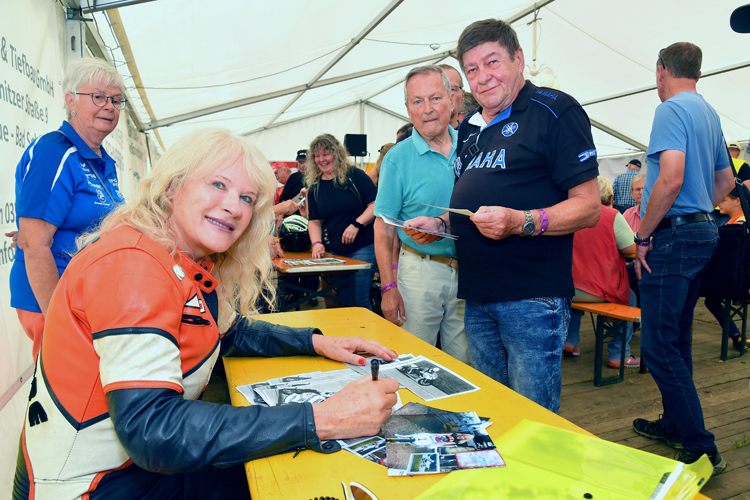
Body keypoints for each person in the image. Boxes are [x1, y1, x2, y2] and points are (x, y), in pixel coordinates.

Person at [12, 128, 399, 500]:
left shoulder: (174, 256)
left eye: (248, 198)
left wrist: (317, 341)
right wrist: (323, 418)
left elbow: (228, 332)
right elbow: (153, 429)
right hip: (95, 486)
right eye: (218, 185)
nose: (234, 206)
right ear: (171, 186)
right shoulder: (133, 265)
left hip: (139, 472)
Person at [404, 19, 600, 413]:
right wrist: (441, 225)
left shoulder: (554, 110)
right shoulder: (472, 130)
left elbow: (589, 206)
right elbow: (472, 205)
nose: (483, 77)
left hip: (531, 297)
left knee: (534, 415)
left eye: (492, 62)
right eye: (472, 69)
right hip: (478, 297)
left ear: (519, 59)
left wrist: (521, 221)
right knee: (496, 411)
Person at [631, 42, 734, 476]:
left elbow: (670, 178)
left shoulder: (670, 110)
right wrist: (698, 211)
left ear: (661, 71)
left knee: (657, 346)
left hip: (672, 237)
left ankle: (700, 445)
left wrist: (643, 234)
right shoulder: (708, 113)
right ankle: (676, 423)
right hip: (703, 232)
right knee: (677, 339)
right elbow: (726, 181)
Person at [10, 57, 127, 361]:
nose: (109, 106)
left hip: (86, 296)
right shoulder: (56, 151)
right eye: (98, 97)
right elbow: (34, 242)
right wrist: (58, 318)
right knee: (63, 394)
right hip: (54, 297)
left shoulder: (99, 159)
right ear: (71, 101)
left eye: (116, 100)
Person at [373, 65, 471, 366]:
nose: (427, 109)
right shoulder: (397, 158)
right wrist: (389, 288)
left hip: (472, 274)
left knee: (465, 365)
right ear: (407, 108)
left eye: (435, 98)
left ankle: (460, 415)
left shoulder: (473, 147)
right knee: (414, 363)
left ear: (452, 100)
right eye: (417, 101)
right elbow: (383, 227)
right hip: (420, 273)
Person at [565, 177, 640, 369]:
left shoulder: (569, 214)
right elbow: (631, 249)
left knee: (575, 302)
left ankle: (570, 341)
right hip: (599, 289)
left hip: (568, 286)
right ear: (610, 196)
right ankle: (619, 354)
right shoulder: (611, 215)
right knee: (630, 298)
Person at [306, 133, 378, 310]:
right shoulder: (315, 187)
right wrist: (316, 243)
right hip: (338, 252)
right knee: (344, 299)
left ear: (336, 154)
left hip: (364, 246)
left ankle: (368, 336)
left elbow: (376, 205)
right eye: (317, 155)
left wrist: (357, 224)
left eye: (326, 154)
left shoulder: (355, 176)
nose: (321, 159)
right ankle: (351, 336)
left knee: (358, 298)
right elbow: (314, 220)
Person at [704, 183, 748, 350]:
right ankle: (736, 335)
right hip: (737, 277)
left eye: (723, 200)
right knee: (710, 299)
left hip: (737, 281)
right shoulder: (741, 219)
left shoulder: (737, 225)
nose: (718, 204)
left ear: (737, 201)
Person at [439, 64, 466, 129]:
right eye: (439, 89)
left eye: (452, 89)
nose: (447, 95)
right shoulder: (412, 137)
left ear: (462, 96)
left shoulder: (473, 136)